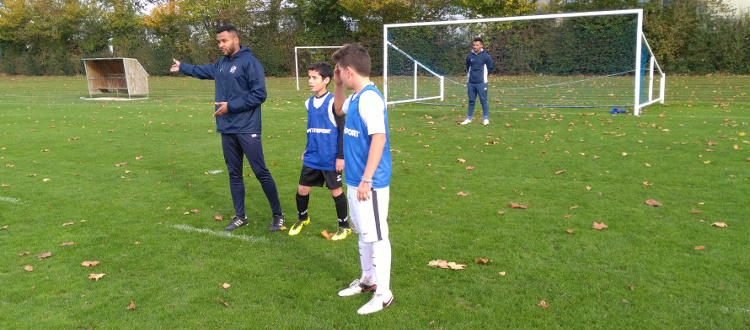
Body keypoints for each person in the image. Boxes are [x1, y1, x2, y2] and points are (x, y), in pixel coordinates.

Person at [169, 24, 285, 232]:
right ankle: (240, 216)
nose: (221, 45)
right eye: (218, 42)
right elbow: (203, 70)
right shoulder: (221, 64)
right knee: (234, 174)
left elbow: (259, 94)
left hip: (247, 127)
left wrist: (230, 107)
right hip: (227, 128)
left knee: (261, 172)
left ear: (236, 40)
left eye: (224, 41)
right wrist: (183, 67)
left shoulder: (250, 63)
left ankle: (278, 215)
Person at [331, 44, 393, 315]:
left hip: (372, 182)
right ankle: (368, 279)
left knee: (378, 237)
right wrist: (337, 84)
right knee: (364, 234)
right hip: (356, 179)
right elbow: (339, 109)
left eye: (340, 73)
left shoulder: (370, 98)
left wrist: (368, 178)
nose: (339, 76)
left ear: (348, 70)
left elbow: (379, 138)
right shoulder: (356, 96)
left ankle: (384, 294)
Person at [288, 62, 351, 240]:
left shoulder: (333, 102)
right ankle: (303, 218)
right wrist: (307, 149)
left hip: (330, 158)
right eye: (309, 77)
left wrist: (341, 156)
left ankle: (344, 226)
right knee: (302, 190)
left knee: (336, 192)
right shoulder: (309, 103)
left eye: (314, 77)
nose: (310, 81)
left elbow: (342, 130)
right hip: (313, 157)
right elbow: (312, 129)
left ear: (326, 80)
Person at [461, 37, 494, 126]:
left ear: (481, 45)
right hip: (471, 82)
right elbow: (468, 67)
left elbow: (490, 67)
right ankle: (469, 118)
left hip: (481, 83)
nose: (475, 47)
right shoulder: (469, 56)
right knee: (471, 101)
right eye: (474, 45)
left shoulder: (486, 56)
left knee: (483, 100)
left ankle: (486, 118)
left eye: (477, 45)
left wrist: (483, 77)